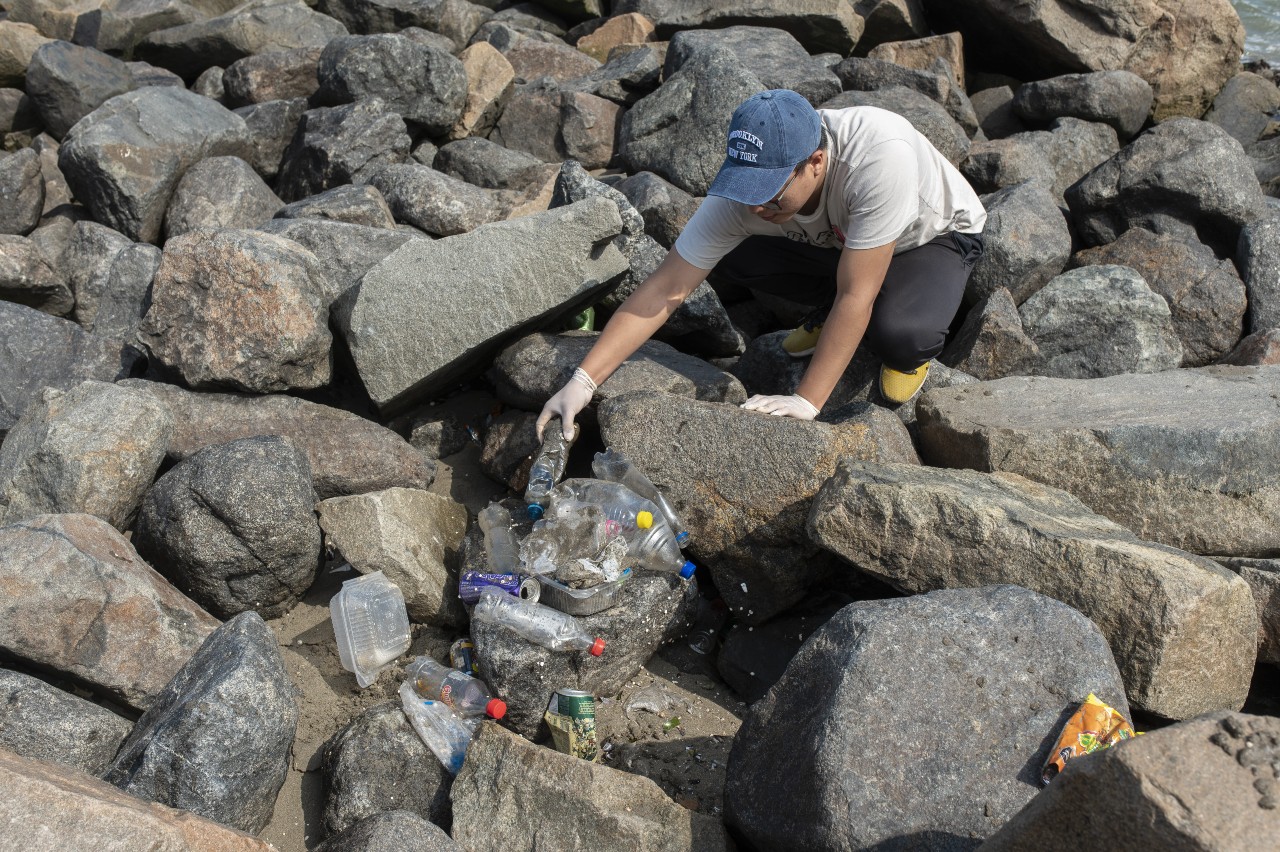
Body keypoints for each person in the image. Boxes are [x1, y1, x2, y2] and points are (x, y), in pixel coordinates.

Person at [536, 88, 986, 441]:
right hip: (842, 241)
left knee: (901, 335)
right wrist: (582, 381)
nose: (756, 207)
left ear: (815, 162)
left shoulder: (878, 160)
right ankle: (829, 313)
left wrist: (806, 402)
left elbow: (857, 294)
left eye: (770, 192)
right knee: (736, 254)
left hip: (933, 236)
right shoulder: (752, 191)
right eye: (748, 189)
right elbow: (667, 287)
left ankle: (905, 336)